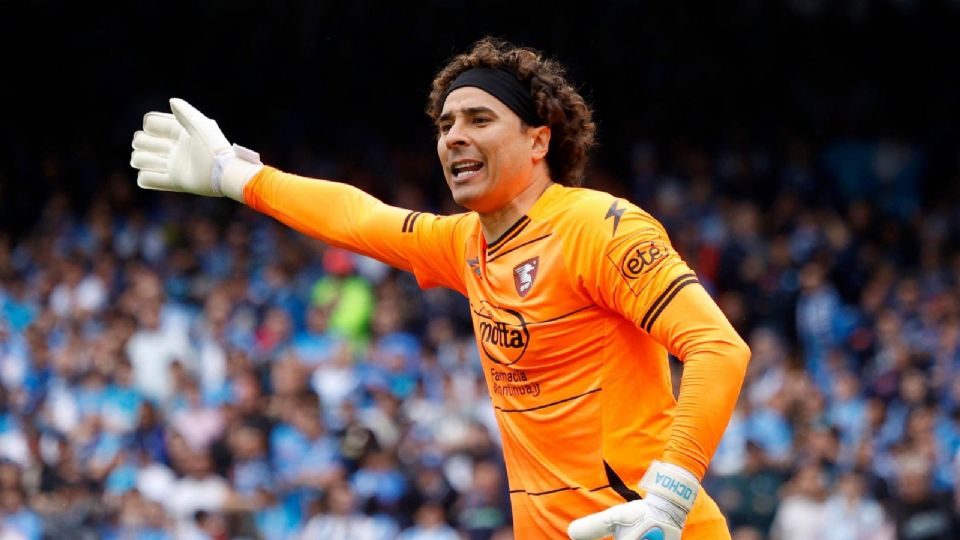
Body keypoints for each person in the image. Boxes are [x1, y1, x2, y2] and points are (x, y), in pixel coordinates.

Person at [129, 37, 750, 539]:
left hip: (651, 530)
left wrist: (669, 498)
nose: (453, 136)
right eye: (446, 123)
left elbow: (719, 349)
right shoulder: (465, 245)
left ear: (539, 140)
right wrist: (233, 174)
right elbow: (360, 218)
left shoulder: (598, 226)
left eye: (479, 119)